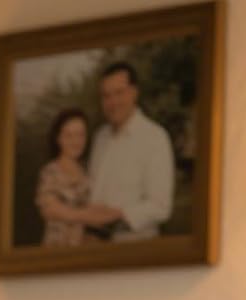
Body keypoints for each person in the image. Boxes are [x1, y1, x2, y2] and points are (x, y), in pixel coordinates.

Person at [84, 62, 175, 241]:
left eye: (119, 93)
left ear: (134, 93)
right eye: (106, 96)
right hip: (94, 248)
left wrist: (116, 216)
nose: (112, 102)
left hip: (135, 249)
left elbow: (161, 206)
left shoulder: (154, 137)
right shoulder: (100, 137)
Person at [34, 108, 92, 248]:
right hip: (56, 254)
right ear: (58, 138)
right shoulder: (50, 172)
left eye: (80, 135)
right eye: (69, 135)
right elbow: (50, 210)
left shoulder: (88, 172)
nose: (76, 141)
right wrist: (93, 216)